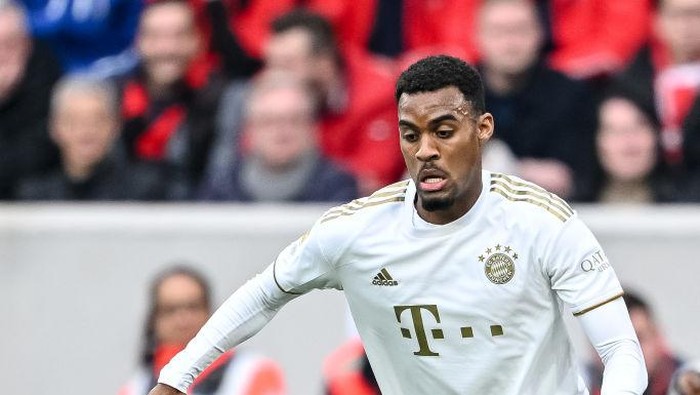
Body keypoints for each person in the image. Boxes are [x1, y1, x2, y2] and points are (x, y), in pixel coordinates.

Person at [147, 55, 647, 394]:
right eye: (411, 134)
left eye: (444, 131)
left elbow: (622, 350)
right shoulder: (356, 231)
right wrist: (176, 378)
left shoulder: (543, 222)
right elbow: (262, 293)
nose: (425, 150)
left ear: (483, 129)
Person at [264, 10, 405, 196]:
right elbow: (252, 165)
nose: (276, 75)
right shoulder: (266, 96)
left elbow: (371, 183)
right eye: (271, 64)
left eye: (287, 64)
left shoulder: (380, 95)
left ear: (324, 62)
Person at [476, 0, 597, 199]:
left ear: (540, 33)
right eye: (498, 31)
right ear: (478, 36)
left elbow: (573, 180)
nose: (510, 42)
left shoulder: (571, 95)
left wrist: (502, 168)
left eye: (520, 30)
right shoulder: (455, 97)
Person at [118, 0, 228, 199]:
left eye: (179, 36)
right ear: (138, 42)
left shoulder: (221, 100)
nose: (167, 48)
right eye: (155, 36)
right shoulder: (114, 97)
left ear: (198, 40)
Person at [120, 265, 286, 395]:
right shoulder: (136, 387)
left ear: (211, 312)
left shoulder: (254, 371)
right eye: (170, 310)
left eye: (193, 307)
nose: (183, 320)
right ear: (154, 320)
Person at [199, 71, 358, 202]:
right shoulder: (221, 187)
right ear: (250, 129)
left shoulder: (339, 188)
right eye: (269, 121)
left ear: (312, 128)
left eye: (294, 120)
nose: (281, 131)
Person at [16, 76, 172, 201]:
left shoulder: (145, 190)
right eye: (73, 121)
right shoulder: (35, 197)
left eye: (97, 120)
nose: (85, 132)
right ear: (54, 128)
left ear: (116, 126)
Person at [0, 0, 62, 200]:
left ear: (27, 44)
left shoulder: (48, 77)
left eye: (10, 44)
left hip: (31, 201)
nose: (2, 54)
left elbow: (40, 152)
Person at [577, 91, 678, 203]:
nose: (629, 141)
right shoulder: (569, 209)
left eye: (639, 127)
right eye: (614, 131)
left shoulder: (686, 206)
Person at [587, 291, 682, 395]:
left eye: (638, 339)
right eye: (612, 344)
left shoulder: (689, 381)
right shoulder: (581, 384)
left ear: (658, 337)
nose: (626, 354)